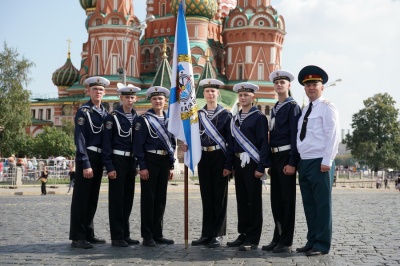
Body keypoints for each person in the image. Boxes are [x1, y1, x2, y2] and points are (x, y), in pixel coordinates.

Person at [295, 65, 340, 256]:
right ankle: (312, 239)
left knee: (322, 205)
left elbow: (333, 134)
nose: (311, 88)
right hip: (304, 162)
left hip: (319, 161)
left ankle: (322, 244)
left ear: (322, 87)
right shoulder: (305, 110)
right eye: (307, 85)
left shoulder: (327, 107)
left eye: (314, 84)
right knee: (309, 204)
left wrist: (327, 159)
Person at [188, 79, 234, 248]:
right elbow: (193, 136)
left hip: (220, 157)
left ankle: (218, 234)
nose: (210, 94)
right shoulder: (199, 115)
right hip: (204, 158)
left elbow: (230, 141)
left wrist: (229, 165)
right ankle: (206, 233)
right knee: (206, 196)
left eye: (213, 92)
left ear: (218, 94)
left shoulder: (226, 115)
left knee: (219, 197)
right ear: (204, 94)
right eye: (207, 91)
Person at [227, 82, 270, 251]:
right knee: (242, 200)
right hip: (239, 163)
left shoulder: (259, 117)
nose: (243, 97)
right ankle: (243, 233)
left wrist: (261, 167)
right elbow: (231, 143)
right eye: (241, 95)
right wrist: (229, 164)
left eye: (246, 95)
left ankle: (253, 238)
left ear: (253, 97)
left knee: (254, 201)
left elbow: (263, 143)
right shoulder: (235, 118)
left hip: (252, 163)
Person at [262, 70, 301, 253]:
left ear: (289, 85)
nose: (279, 85)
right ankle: (277, 237)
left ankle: (286, 240)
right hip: (276, 157)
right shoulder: (276, 106)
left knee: (287, 200)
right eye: (276, 83)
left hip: (286, 157)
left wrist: (293, 162)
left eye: (282, 82)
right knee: (276, 200)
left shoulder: (292, 107)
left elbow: (295, 137)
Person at [69, 76, 110, 249]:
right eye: (95, 89)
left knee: (92, 198)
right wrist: (85, 163)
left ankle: (88, 233)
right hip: (88, 157)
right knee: (81, 198)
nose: (98, 92)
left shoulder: (105, 113)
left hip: (99, 159)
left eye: (100, 90)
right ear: (88, 91)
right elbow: (80, 139)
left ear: (104, 92)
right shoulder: (83, 112)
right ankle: (78, 237)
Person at [133, 86, 176, 247]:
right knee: (148, 200)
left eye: (160, 99)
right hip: (149, 161)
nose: (158, 101)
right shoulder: (143, 120)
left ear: (165, 101)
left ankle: (158, 233)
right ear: (150, 101)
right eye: (154, 99)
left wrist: (171, 165)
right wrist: (142, 166)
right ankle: (147, 235)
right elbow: (138, 146)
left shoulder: (169, 120)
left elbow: (172, 143)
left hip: (164, 161)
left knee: (160, 200)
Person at [102, 83, 141, 247]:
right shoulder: (113, 117)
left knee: (128, 200)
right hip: (117, 161)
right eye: (127, 97)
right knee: (117, 200)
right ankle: (117, 236)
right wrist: (109, 166)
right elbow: (106, 143)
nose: (130, 100)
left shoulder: (137, 118)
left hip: (130, 162)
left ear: (136, 98)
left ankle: (125, 234)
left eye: (132, 97)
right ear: (121, 98)